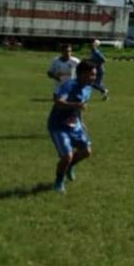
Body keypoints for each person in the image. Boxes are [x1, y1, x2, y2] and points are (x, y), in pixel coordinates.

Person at [47, 60, 96, 193]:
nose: (94, 77)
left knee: (86, 152)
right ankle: (58, 182)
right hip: (58, 125)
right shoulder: (69, 85)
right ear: (82, 74)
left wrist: (82, 122)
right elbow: (58, 102)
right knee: (67, 156)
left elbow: (79, 108)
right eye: (91, 74)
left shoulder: (88, 88)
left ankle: (69, 166)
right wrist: (75, 105)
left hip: (75, 124)